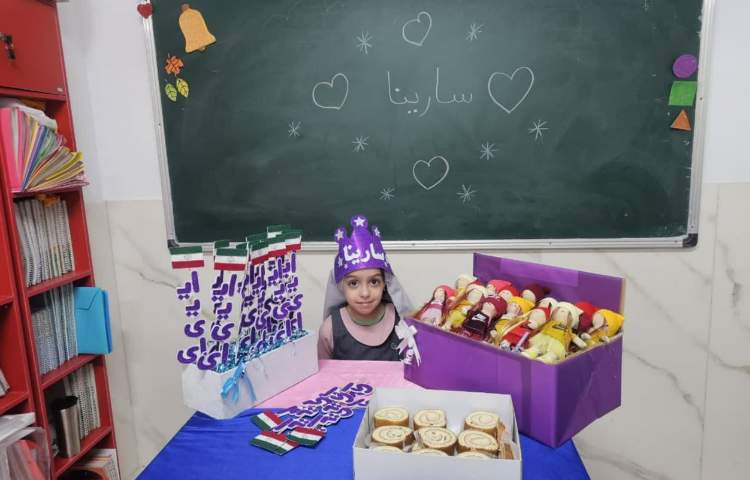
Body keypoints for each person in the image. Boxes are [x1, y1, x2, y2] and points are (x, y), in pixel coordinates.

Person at [318, 215, 413, 360]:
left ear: (385, 284)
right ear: (341, 286)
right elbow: (323, 372)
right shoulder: (329, 329)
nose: (365, 293)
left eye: (374, 282)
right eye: (353, 283)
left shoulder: (402, 320)